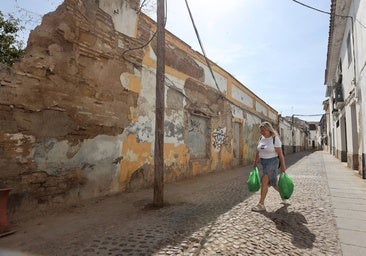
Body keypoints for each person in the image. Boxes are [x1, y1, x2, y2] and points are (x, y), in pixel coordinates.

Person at [251, 121, 287, 212]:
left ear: (269, 129)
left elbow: (280, 154)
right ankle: (283, 194)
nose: (262, 132)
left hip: (272, 162)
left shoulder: (275, 139)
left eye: (263, 130)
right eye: (261, 131)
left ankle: (261, 204)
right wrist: (255, 162)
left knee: (264, 181)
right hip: (263, 163)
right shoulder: (261, 138)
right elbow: (258, 151)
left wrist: (283, 166)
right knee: (273, 184)